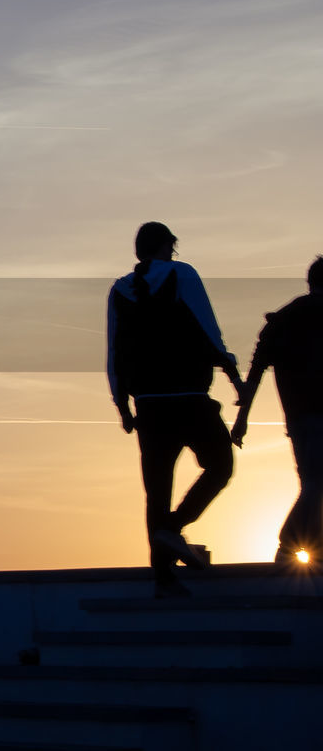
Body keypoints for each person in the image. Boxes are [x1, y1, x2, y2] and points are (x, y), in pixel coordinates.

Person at [107, 222, 245, 597]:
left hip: (148, 406)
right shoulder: (182, 274)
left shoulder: (119, 291)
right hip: (189, 398)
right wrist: (235, 377)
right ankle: (174, 528)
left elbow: (114, 350)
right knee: (220, 466)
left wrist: (122, 404)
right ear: (168, 246)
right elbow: (208, 329)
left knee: (156, 491)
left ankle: (164, 579)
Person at [231, 256, 323, 568]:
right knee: (316, 484)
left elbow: (255, 373)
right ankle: (288, 545)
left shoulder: (282, 320)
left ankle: (314, 550)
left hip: (297, 418)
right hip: (315, 416)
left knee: (312, 484)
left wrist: (242, 419)